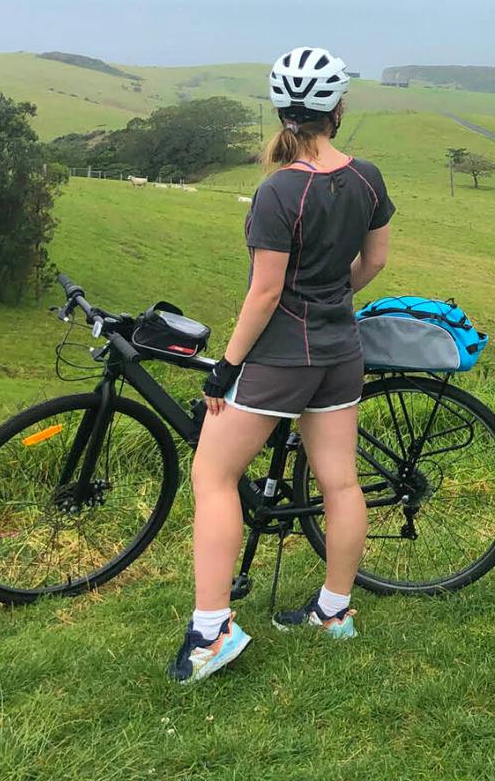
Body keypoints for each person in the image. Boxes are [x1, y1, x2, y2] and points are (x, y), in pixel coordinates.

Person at [169, 46, 394, 683]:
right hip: (340, 351)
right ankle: (334, 613)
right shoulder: (368, 177)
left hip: (279, 357)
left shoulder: (278, 191)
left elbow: (265, 293)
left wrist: (225, 367)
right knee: (340, 483)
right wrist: (329, 300)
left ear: (281, 111)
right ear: (337, 109)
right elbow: (373, 263)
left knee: (213, 476)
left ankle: (211, 632)